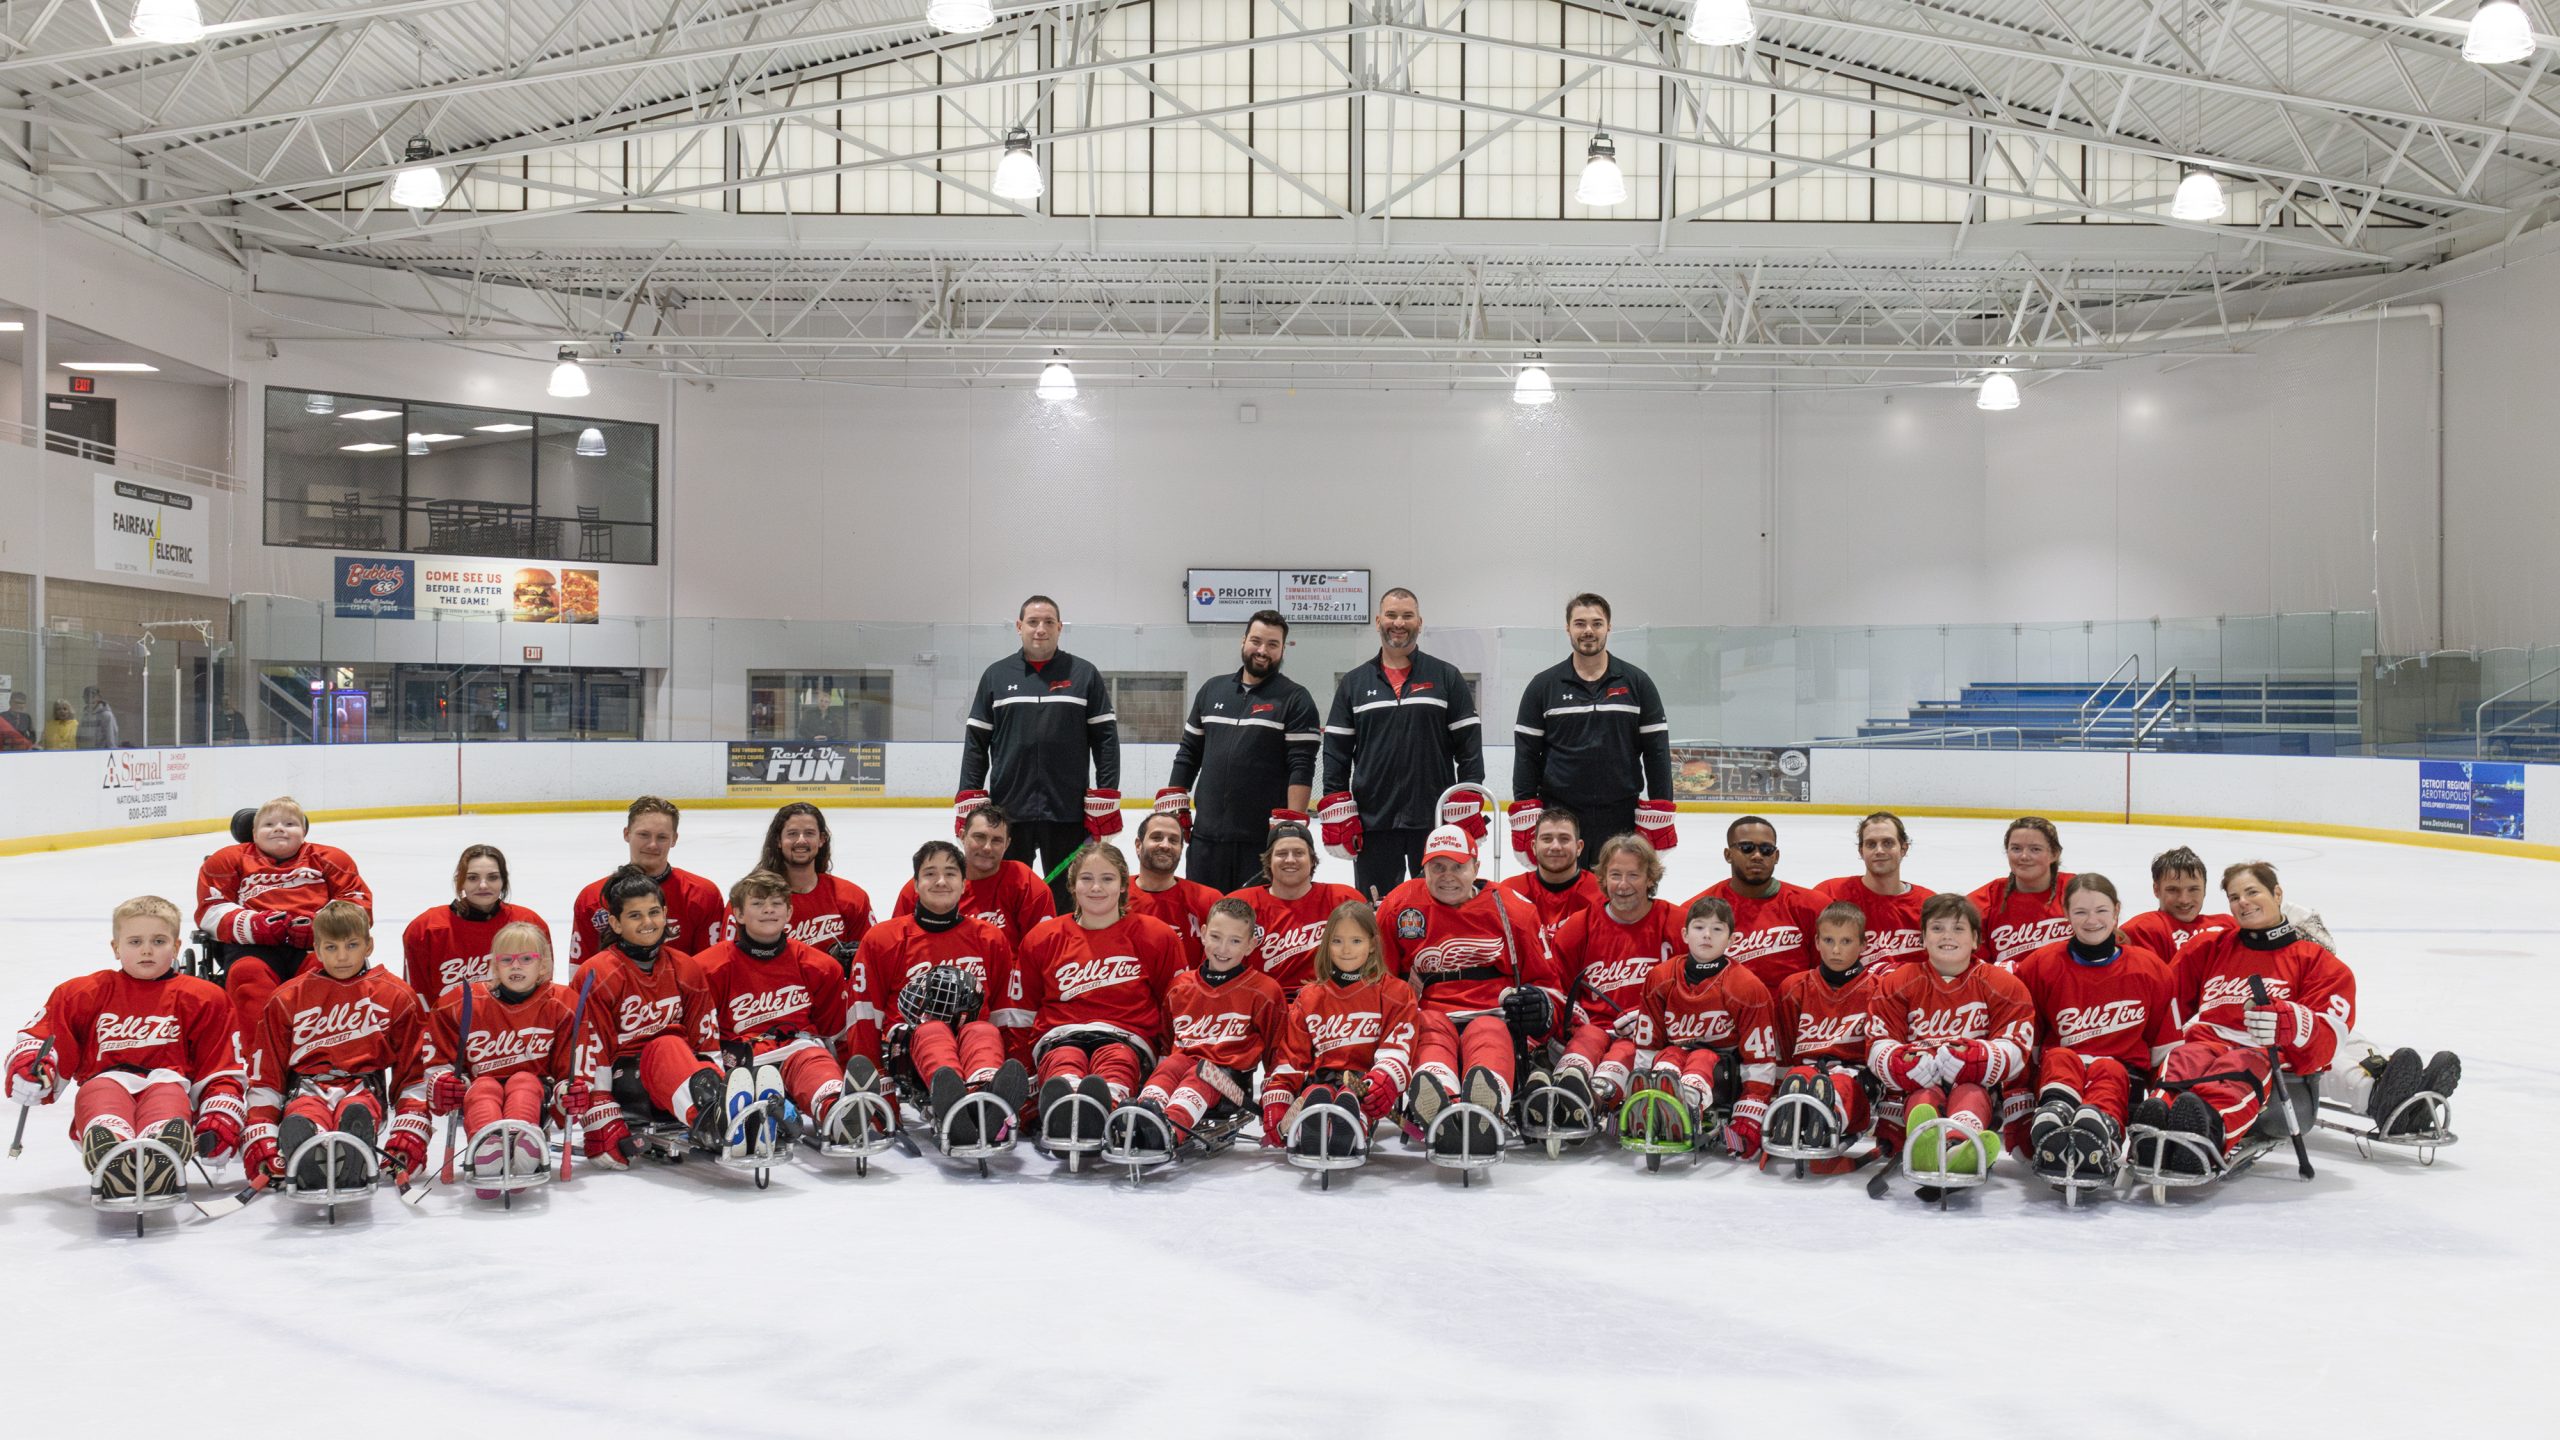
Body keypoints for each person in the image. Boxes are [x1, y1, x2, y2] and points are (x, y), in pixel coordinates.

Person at [2137, 860, 2378, 1172]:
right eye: (2235, 898)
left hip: (2271, 1067)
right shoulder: (2210, 946)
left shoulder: (2318, 963)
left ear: (2277, 894)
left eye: (2252, 892)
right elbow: (2164, 999)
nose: (2243, 903)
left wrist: (2291, 1022)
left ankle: (2205, 1133)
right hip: (2207, 1043)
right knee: (2184, 1057)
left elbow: (2328, 1043)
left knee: (2240, 1065)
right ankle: (2153, 1126)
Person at [6, 896, 244, 1202]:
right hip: (105, 1080)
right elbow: (46, 1036)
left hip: (168, 1081)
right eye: (135, 941)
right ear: (116, 948)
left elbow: (220, 1065)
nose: (146, 950)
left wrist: (218, 1115)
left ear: (175, 945)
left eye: (158, 941)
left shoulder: (205, 997)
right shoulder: (83, 992)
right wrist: (32, 1067)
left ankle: (160, 1148)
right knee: (101, 1092)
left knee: (168, 1097)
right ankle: (113, 1147)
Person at [1373, 824, 1562, 1159]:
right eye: (1437, 867)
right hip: (1431, 1014)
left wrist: (1540, 1007)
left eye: (1458, 867)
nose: (1447, 876)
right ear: (1423, 869)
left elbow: (1549, 987)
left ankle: (1484, 1105)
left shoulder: (1513, 911)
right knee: (1429, 1028)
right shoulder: (1399, 906)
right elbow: (1382, 982)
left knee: (1488, 1032)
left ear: (1475, 867)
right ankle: (1441, 1102)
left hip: (1493, 1014)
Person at [241, 900, 430, 1190]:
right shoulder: (287, 998)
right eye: (331, 947)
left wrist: (408, 1133)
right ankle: (310, 1150)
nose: (342, 956)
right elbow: (267, 1073)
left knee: (356, 1112)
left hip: (364, 1090)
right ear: (316, 950)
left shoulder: (395, 995)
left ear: (369, 946)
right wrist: (262, 1132)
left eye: (352, 945)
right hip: (306, 1089)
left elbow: (412, 1074)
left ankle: (349, 1147)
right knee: (302, 1116)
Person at [1319, 587, 1486, 897]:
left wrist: (1467, 794)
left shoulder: (1446, 677)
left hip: (1434, 820)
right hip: (1373, 822)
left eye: (1407, 616)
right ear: (1378, 621)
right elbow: (1336, 754)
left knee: (1440, 905)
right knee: (1377, 911)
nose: (1399, 623)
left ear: (1419, 623)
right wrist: (1338, 807)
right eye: (1392, 615)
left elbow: (1469, 747)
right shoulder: (1354, 683)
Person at [957, 594, 1122, 906]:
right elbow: (976, 743)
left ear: (1060, 628)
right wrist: (969, 797)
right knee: (1007, 894)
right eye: (1032, 622)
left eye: (1048, 622)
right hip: (1008, 811)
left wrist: (1107, 794)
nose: (1040, 629)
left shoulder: (1084, 674)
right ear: (1019, 627)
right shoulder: (997, 675)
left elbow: (1106, 741)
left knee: (1066, 895)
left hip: (1067, 810)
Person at [1016, 844, 1184, 1147]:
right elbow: (1024, 1011)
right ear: (1072, 885)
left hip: (1126, 1039)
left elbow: (1175, 1007)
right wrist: (1026, 1072)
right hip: (1060, 1036)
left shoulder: (1157, 936)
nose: (1096, 888)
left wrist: (1166, 1063)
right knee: (1064, 1061)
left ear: (1123, 884)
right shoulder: (1042, 938)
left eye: (1107, 879)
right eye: (1086, 879)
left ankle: (1107, 1107)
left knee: (1116, 1061)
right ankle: (1064, 1104)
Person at [2011, 874, 2177, 1177]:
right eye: (2081, 912)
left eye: (2101, 911)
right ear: (2066, 913)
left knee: (2109, 1069)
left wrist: (2163, 1107)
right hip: (2057, 1076)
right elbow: (2026, 1048)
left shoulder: (2152, 970)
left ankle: (2103, 1130)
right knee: (2060, 1056)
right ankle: (2055, 1114)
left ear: (2116, 911)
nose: (2092, 921)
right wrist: (2017, 1113)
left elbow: (2164, 1051)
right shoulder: (2038, 967)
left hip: (2122, 1078)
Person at [1865, 893, 2035, 1178]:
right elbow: (1878, 1040)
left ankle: (1959, 1144)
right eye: (1937, 928)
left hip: (1979, 1088)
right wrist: (1901, 1062)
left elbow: (2017, 1043)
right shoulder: (1899, 982)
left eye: (1958, 929)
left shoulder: (2002, 984)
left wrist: (1982, 1058)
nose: (1948, 936)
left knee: (1971, 1093)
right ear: (1923, 937)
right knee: (1923, 1098)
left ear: (1976, 939)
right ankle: (1928, 1141)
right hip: (1918, 1087)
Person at [570, 870, 730, 1164]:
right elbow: (592, 1050)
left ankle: (730, 1107)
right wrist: (600, 1107)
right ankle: (712, 1119)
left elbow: (705, 1041)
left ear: (666, 913)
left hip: (679, 1074)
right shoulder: (597, 974)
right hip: (628, 1081)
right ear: (615, 923)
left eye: (654, 912)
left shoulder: (686, 967)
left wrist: (716, 1074)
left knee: (678, 1049)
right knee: (667, 1044)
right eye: (635, 916)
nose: (648, 923)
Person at [1160, 608, 1321, 892]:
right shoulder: (1212, 690)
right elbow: (1188, 753)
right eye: (1256, 641)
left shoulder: (1295, 698)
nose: (1262, 650)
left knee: (1253, 926)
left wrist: (1292, 830)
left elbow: (1302, 765)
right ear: (1243, 640)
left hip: (1260, 842)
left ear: (1283, 649)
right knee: (1205, 921)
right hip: (1206, 838)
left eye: (1273, 645)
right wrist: (1172, 809)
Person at [1509, 592, 1676, 864]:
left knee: (1618, 896)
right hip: (1560, 816)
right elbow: (1526, 755)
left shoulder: (1637, 682)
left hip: (1622, 813)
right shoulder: (1543, 686)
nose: (1588, 631)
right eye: (1580, 623)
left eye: (1597, 623)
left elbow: (1657, 752)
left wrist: (1662, 809)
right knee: (1564, 898)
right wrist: (1526, 812)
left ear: (1609, 627)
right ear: (1568, 628)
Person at [195, 796, 373, 1045]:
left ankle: (320, 1048)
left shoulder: (331, 858)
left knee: (326, 976)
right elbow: (210, 908)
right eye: (269, 825)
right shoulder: (227, 859)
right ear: (253, 833)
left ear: (303, 832)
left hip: (316, 946)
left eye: (289, 824)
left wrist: (320, 927)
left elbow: (356, 902)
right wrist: (253, 925)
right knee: (248, 977)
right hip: (251, 947)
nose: (279, 828)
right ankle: (259, 1052)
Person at [698, 870, 855, 1142]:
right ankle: (766, 1115)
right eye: (757, 904)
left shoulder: (821, 966)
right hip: (742, 1059)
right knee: (751, 1081)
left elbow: (832, 1030)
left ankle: (836, 1111)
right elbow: (703, 1037)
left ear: (789, 912)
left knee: (816, 1063)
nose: (768, 910)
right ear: (739, 914)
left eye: (776, 904)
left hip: (797, 1049)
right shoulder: (709, 968)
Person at [420, 921, 580, 1186]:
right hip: (480, 1090)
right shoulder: (460, 1002)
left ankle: (522, 1143)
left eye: (526, 958)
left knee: (523, 1082)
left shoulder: (563, 1004)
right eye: (507, 959)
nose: (515, 966)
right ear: (495, 965)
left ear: (543, 966)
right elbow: (437, 1055)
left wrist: (568, 1091)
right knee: (483, 1086)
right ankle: (487, 1146)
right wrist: (442, 1082)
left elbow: (569, 1066)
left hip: (536, 1092)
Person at [1258, 902, 1420, 1157]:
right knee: (1316, 1094)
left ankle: (1352, 1126)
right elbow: (1291, 1056)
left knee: (1352, 1101)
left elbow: (1398, 1046)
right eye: (1337, 941)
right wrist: (1278, 1096)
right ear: (1326, 944)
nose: (1346, 950)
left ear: (1373, 944)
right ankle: (1312, 1125)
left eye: (1356, 941)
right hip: (1321, 1080)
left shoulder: (1395, 992)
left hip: (1364, 1086)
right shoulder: (1310, 996)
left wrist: (1384, 1079)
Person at [861, 840, 1035, 1076]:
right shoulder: (883, 939)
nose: (941, 882)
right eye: (930, 874)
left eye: (950, 874)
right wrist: (872, 1076)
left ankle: (984, 1087)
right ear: (915, 885)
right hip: (908, 1051)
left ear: (964, 885)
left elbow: (1004, 1013)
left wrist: (1018, 1067)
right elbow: (864, 1013)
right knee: (933, 1031)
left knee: (983, 1030)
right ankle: (951, 1091)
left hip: (976, 1044)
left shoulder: (990, 938)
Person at [1125, 899, 1287, 1149]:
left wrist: (1277, 1098)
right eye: (1216, 937)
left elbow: (1277, 1052)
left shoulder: (1264, 991)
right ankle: (1140, 1117)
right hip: (1184, 1067)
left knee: (1200, 1073)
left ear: (1250, 945)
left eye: (1235, 941)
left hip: (1229, 1082)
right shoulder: (1180, 987)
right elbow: (1168, 1045)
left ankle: (1167, 1130)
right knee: (1175, 1063)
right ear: (1202, 934)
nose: (1223, 948)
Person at [1625, 895, 1779, 1158]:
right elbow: (1649, 1040)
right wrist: (1640, 1073)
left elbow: (1760, 1059)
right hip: (1677, 1054)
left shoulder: (1747, 987)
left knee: (1701, 1057)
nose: (1707, 935)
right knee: (1668, 1058)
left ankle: (1687, 1102)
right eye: (1699, 927)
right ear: (1685, 934)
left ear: (1732, 939)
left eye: (1717, 929)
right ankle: (1653, 1095)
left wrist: (1749, 1114)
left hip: (1721, 1069)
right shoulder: (1660, 977)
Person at [1545, 834, 1684, 1121]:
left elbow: (1696, 991)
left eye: (1633, 875)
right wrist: (1572, 1017)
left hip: (1643, 1038)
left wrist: (1654, 1020)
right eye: (1615, 875)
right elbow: (1556, 987)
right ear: (1603, 879)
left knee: (1625, 1051)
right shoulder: (1578, 927)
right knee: (1587, 1039)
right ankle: (1568, 1086)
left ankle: (1592, 1100)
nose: (1623, 885)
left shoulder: (1676, 923)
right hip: (1592, 1029)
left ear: (1650, 878)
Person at [1767, 901, 1892, 1165]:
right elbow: (1787, 1048)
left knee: (1841, 1085)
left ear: (1863, 944)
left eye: (1846, 941)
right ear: (1816, 942)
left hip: (1856, 1078)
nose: (1836, 950)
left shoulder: (1878, 990)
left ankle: (1827, 1119)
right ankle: (1795, 1112)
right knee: (1798, 1075)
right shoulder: (1794, 988)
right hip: (1810, 1070)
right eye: (1829, 940)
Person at [566, 797, 726, 963]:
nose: (652, 845)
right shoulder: (592, 898)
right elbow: (581, 973)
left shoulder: (703, 894)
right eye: (643, 835)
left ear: (674, 839)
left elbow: (708, 968)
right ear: (626, 834)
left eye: (662, 837)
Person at [1692, 815, 1827, 994]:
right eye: (1746, 848)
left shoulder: (1813, 906)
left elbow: (1828, 974)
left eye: (1766, 849)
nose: (1757, 856)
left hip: (1794, 1016)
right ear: (1728, 855)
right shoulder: (1698, 912)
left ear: (1776, 856)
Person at [402, 844, 551, 1005]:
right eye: (473, 878)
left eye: (493, 877)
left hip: (517, 1027)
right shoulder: (426, 929)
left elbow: (543, 987)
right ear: (460, 881)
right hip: (448, 1027)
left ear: (504, 880)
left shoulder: (528, 922)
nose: (483, 885)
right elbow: (418, 997)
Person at [1229, 820, 1364, 997]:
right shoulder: (1241, 905)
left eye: (1299, 853)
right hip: (1261, 1004)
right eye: (1282, 853)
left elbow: (1370, 962)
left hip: (1328, 1004)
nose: (1290, 860)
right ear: (1269, 860)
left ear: (1312, 860)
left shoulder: (1344, 900)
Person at [893, 803, 1060, 939]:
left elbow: (1043, 948)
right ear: (962, 836)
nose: (987, 847)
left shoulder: (1024, 883)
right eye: (979, 837)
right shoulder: (929, 885)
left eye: (996, 840)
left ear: (1007, 844)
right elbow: (896, 940)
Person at [1814, 811, 1935, 978]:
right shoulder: (1831, 893)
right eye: (1871, 844)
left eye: (1888, 843)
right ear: (1861, 851)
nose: (1879, 851)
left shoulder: (1929, 904)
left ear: (1903, 848)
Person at [755, 802, 876, 967]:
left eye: (809, 833)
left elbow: (873, 957)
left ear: (821, 840)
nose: (801, 841)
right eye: (792, 834)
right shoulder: (752, 900)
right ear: (778, 840)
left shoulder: (851, 897)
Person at [1967, 817, 2075, 968]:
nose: (2024, 856)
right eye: (2016, 848)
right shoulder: (1983, 901)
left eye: (2035, 849)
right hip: (2007, 988)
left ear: (2054, 854)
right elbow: (1975, 965)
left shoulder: (2079, 892)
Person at [1125, 811, 1221, 968]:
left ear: (1181, 849)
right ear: (1138, 845)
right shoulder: (1113, 895)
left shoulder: (1208, 900)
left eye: (1173, 840)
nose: (1165, 845)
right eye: (1156, 837)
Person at [1497, 806, 1602, 944]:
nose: (1555, 846)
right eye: (1547, 839)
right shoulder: (1509, 892)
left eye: (1564, 839)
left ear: (1579, 847)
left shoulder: (1600, 892)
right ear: (1534, 846)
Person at [2117, 846, 2234, 959]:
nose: (2184, 900)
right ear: (2156, 890)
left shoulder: (2228, 925)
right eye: (2173, 890)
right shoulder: (2141, 930)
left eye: (2193, 889)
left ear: (2204, 889)